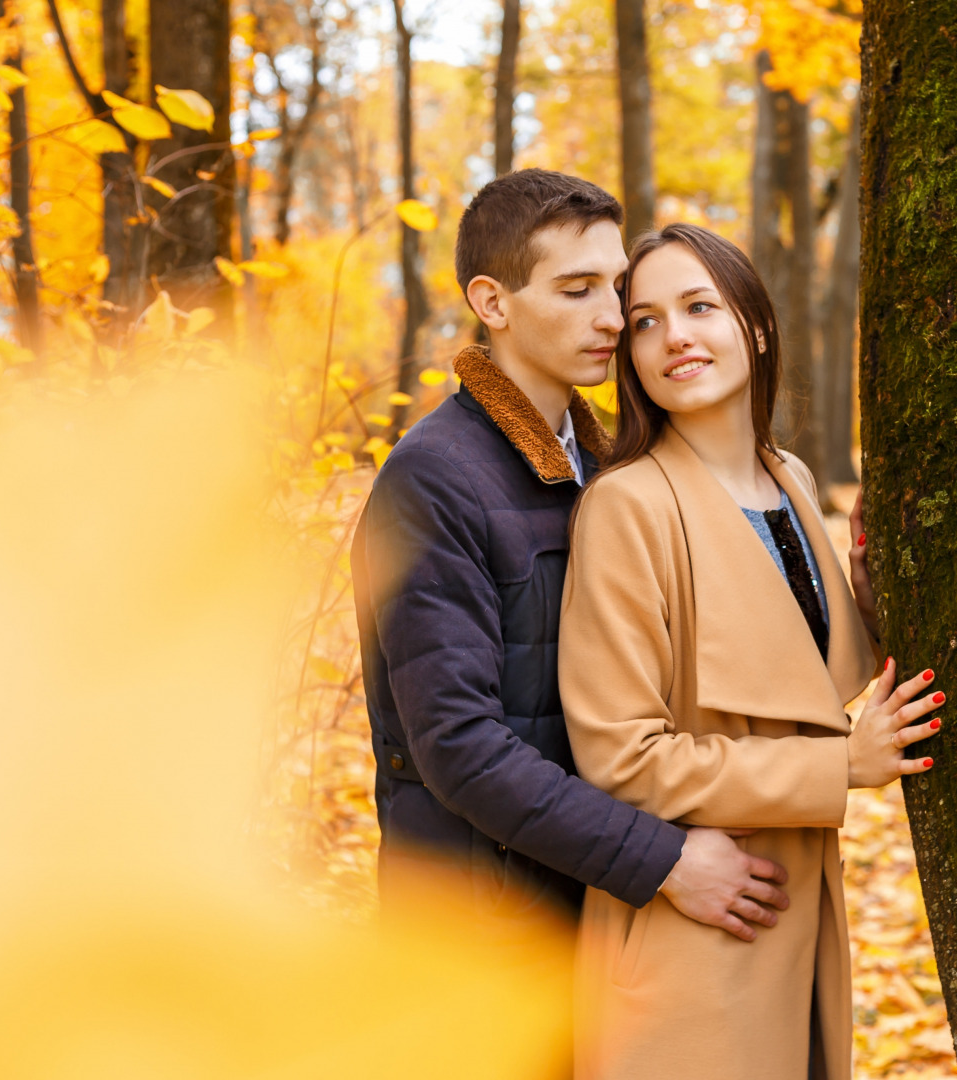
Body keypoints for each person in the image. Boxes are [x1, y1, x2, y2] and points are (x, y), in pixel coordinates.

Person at [352, 173, 795, 954]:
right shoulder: (435, 477)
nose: (613, 316)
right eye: (577, 289)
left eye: (617, 286)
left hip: (593, 916)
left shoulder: (608, 467)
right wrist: (664, 862)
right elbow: (458, 745)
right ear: (493, 303)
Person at [560, 223, 944, 1080]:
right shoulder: (627, 507)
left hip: (797, 912)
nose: (675, 337)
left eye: (699, 306)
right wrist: (839, 767)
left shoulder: (792, 480)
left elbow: (785, 669)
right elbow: (620, 758)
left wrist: (876, 606)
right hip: (691, 931)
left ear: (756, 327)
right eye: (647, 320)